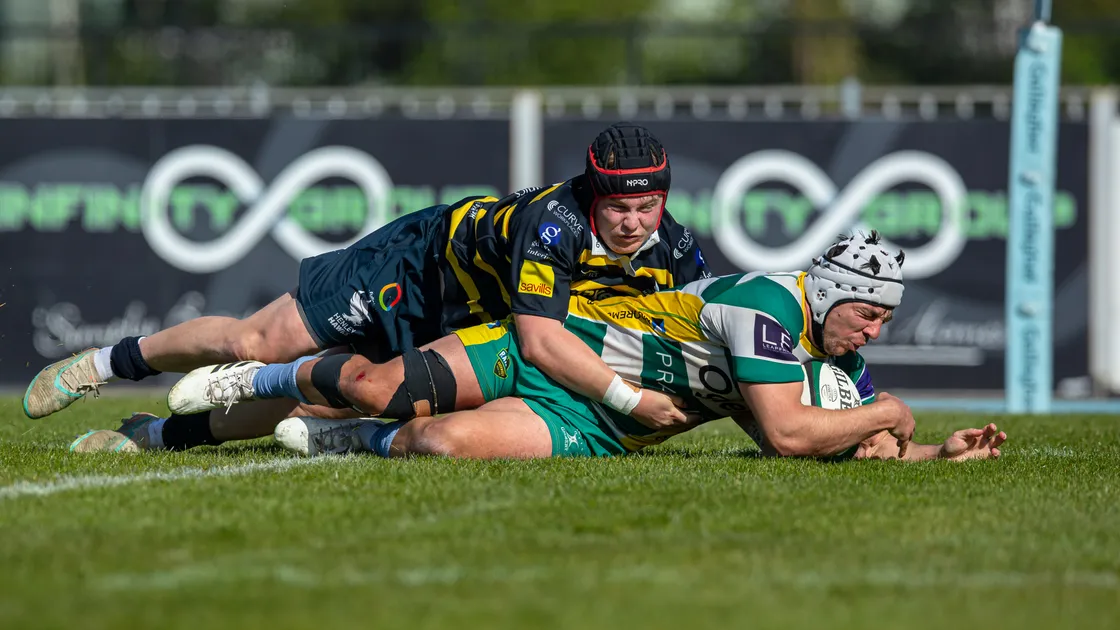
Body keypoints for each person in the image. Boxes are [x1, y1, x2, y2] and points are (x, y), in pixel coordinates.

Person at [28, 122, 711, 451]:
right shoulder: (554, 223)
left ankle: (152, 438)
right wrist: (631, 399)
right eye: (616, 208)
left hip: (475, 312)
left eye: (645, 208)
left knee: (341, 398)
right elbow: (538, 340)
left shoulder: (675, 249)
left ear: (664, 200)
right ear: (592, 195)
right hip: (415, 267)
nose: (630, 222)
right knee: (258, 339)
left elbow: (712, 327)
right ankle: (103, 364)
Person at [77, 231, 1003, 462]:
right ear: (835, 296)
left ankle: (211, 438)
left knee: (433, 443)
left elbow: (819, 439)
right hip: (549, 358)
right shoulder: (766, 309)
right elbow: (795, 434)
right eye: (870, 316)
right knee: (368, 387)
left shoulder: (831, 356)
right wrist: (892, 411)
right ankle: (260, 376)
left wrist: (928, 451)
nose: (876, 335)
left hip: (600, 428)